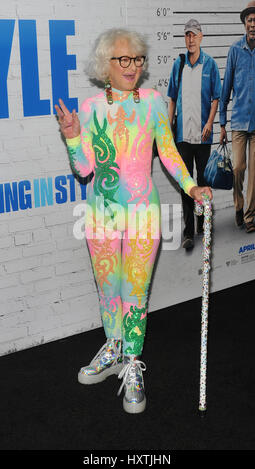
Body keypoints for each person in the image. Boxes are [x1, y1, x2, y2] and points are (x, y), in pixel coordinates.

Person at [55, 28, 212, 414]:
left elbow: (170, 152)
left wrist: (192, 186)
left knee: (135, 292)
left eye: (137, 59)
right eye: (122, 59)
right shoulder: (91, 108)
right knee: (109, 290)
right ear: (105, 65)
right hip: (101, 214)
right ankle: (112, 350)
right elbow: (84, 169)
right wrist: (74, 138)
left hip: (144, 213)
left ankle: (133, 363)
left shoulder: (154, 102)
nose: (132, 66)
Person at [167, 19, 221, 250]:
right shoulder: (178, 65)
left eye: (194, 35)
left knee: (204, 182)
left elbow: (215, 98)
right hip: (182, 136)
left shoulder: (209, 65)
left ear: (200, 37)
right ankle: (189, 231)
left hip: (203, 135)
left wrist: (210, 122)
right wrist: (168, 125)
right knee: (185, 183)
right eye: (187, 35)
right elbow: (171, 97)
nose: (190, 39)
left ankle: (203, 223)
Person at [220, 1, 255, 233]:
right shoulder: (235, 51)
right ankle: (238, 206)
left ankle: (251, 216)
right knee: (238, 168)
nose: (253, 24)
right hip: (239, 122)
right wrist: (222, 124)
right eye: (250, 20)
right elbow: (226, 90)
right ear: (244, 24)